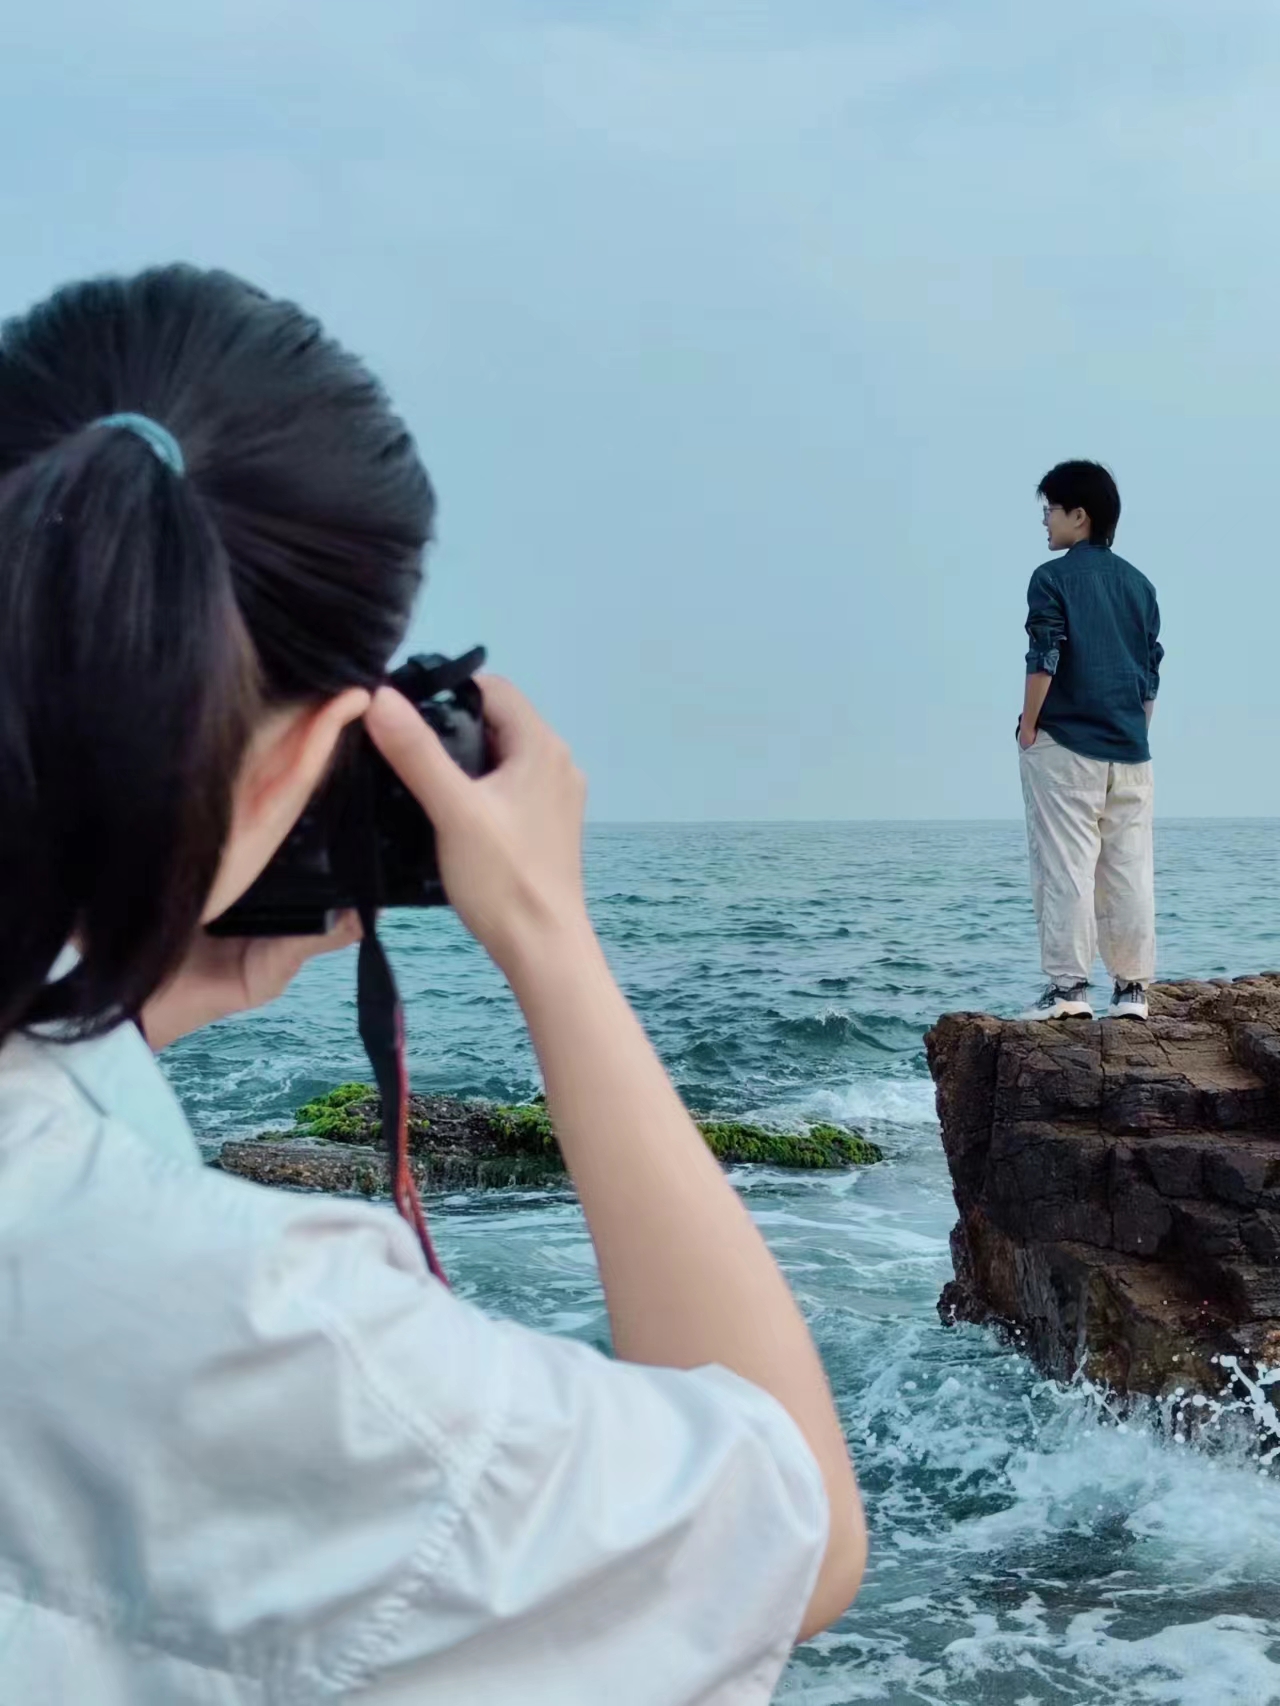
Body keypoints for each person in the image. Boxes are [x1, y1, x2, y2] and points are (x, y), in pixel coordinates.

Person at [0, 267, 865, 1703]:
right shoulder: (264, 1329)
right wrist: (550, 937)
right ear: (314, 756)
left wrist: (122, 1015)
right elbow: (795, 1533)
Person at [1015, 459, 1163, 1023]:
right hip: (1130, 749)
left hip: (1067, 744)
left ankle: (1068, 988)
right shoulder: (1140, 585)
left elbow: (1044, 655)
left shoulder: (1050, 578)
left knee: (1066, 867)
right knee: (1129, 870)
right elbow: (1149, 674)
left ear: (1080, 515)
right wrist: (1135, 731)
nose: (1044, 521)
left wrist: (1029, 726)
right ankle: (1131, 991)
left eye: (1050, 510)